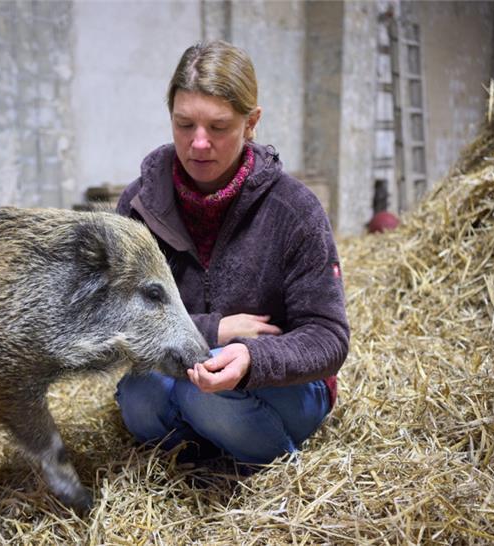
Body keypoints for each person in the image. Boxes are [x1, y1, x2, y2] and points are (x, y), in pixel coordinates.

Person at [114, 40, 350, 465]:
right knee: (139, 397)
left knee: (204, 397)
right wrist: (214, 332)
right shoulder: (139, 207)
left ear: (251, 122)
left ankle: (245, 451)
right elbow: (119, 317)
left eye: (218, 127)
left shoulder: (295, 210)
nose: (198, 144)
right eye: (184, 125)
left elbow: (328, 337)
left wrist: (251, 356)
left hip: (283, 382)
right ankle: (215, 456)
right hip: (186, 367)